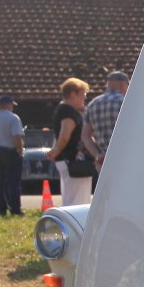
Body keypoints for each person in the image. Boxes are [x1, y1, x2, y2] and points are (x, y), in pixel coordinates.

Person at [49, 77, 93, 206]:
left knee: (74, 197)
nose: (84, 98)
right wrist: (56, 150)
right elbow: (65, 135)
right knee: (78, 201)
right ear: (73, 94)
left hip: (70, 160)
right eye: (83, 94)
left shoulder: (65, 110)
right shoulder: (68, 111)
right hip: (73, 161)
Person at [81, 69, 130, 171]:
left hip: (103, 162)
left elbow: (85, 136)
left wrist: (97, 155)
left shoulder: (92, 104)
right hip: (126, 158)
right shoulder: (126, 102)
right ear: (123, 84)